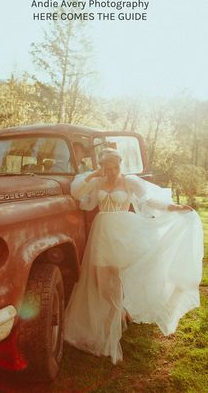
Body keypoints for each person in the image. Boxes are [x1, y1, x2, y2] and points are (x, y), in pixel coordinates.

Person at [64, 148, 203, 364]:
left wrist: (172, 206)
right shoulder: (97, 181)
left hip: (125, 233)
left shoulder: (129, 181)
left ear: (120, 165)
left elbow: (147, 200)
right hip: (102, 232)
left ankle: (112, 332)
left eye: (115, 167)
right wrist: (92, 175)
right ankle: (119, 314)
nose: (111, 172)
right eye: (107, 168)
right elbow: (77, 193)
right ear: (102, 167)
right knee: (103, 282)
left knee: (117, 280)